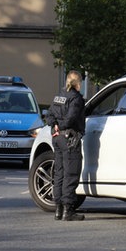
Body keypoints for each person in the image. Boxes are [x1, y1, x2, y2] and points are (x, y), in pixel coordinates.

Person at [44, 70, 86, 221]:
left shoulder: (59, 97)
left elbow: (49, 115)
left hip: (57, 139)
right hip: (69, 139)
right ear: (78, 83)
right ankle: (68, 211)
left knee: (59, 174)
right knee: (71, 174)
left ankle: (58, 210)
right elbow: (71, 119)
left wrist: (55, 125)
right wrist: (61, 126)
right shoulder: (76, 99)